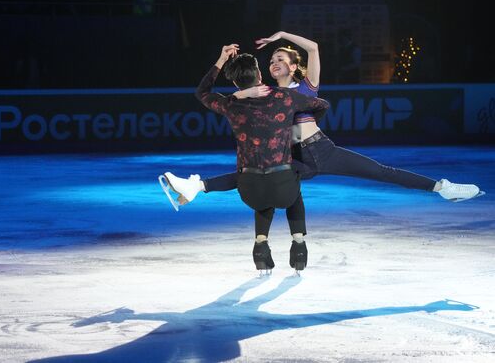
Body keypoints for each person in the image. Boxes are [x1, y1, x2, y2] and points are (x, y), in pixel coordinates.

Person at [162, 31, 483, 209]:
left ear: (292, 66)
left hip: (322, 149)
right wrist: (240, 94)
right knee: (253, 173)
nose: (274, 63)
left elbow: (315, 63)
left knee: (382, 172)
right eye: (271, 60)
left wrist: (283, 35)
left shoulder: (304, 87)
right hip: (293, 157)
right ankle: (196, 187)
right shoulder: (268, 94)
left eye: (280, 59)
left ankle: (442, 187)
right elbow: (230, 99)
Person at [164, 43, 330, 274]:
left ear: (234, 83)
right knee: (290, 174)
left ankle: (260, 246)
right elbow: (322, 105)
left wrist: (222, 62)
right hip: (283, 188)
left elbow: (201, 93)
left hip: (250, 191)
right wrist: (298, 129)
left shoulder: (231, 104)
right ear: (260, 74)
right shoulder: (285, 96)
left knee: (260, 179)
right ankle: (299, 246)